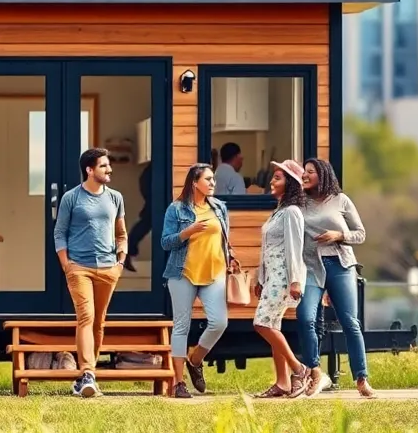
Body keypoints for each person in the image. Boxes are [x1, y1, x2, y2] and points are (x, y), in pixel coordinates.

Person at [160, 163, 240, 398]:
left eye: (213, 179)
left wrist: (230, 257)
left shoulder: (219, 208)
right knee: (181, 326)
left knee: (219, 322)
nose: (213, 183)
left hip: (215, 272)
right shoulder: (176, 210)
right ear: (195, 183)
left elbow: (225, 238)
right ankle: (178, 383)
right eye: (208, 179)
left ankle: (195, 360)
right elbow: (166, 242)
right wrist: (188, 231)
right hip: (182, 273)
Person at [296, 157, 374, 398]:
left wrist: (338, 235)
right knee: (305, 317)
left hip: (340, 264)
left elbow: (360, 234)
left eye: (310, 172)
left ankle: (362, 379)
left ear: (324, 175)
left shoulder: (341, 200)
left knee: (350, 322)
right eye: (303, 172)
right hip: (310, 266)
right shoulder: (299, 203)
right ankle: (315, 371)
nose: (305, 175)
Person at [53, 147, 127, 398]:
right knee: (86, 317)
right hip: (79, 268)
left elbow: (121, 234)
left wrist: (120, 262)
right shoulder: (71, 198)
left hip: (108, 268)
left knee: (99, 322)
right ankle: (87, 372)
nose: (109, 170)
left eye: (108, 165)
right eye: (104, 166)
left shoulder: (116, 197)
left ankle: (87, 376)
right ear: (89, 170)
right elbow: (59, 233)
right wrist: (67, 264)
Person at [251, 159, 312, 398]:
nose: (272, 181)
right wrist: (260, 277)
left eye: (278, 177)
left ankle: (299, 369)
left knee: (261, 323)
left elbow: (295, 248)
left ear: (290, 183)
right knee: (273, 326)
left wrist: (296, 280)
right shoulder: (278, 212)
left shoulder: (292, 213)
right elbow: (268, 249)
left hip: (284, 278)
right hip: (272, 277)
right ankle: (282, 383)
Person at [124, 164, 153, 272]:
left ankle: (126, 251)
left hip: (152, 190)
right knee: (146, 223)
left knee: (146, 223)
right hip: (154, 191)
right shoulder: (156, 167)